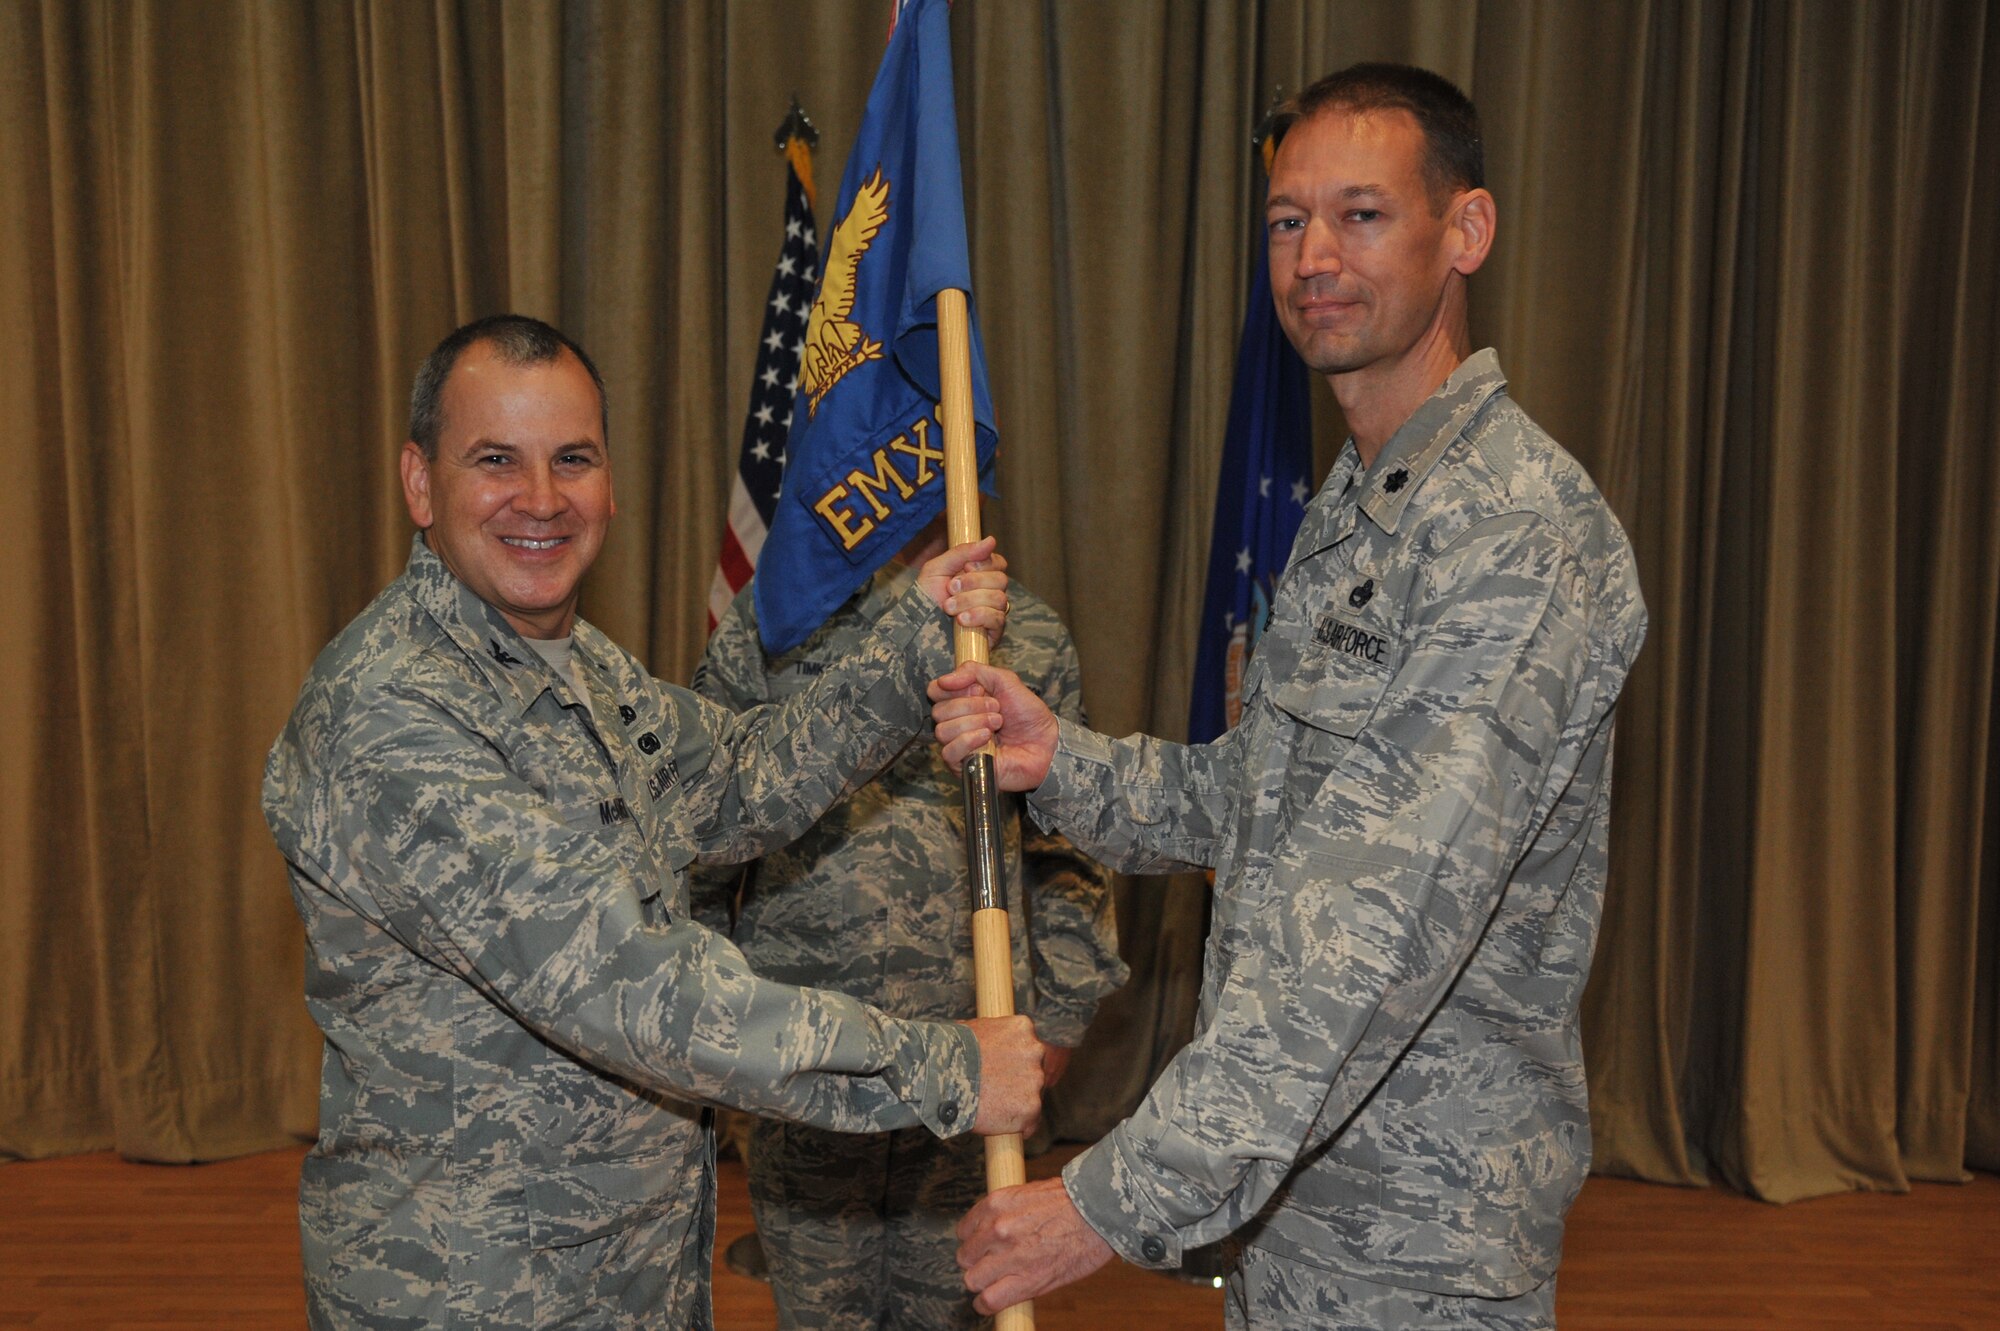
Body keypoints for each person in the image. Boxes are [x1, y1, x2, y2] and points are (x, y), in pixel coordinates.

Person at [933, 64, 1648, 1330]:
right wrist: (1066, 763)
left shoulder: (1515, 536)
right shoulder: (1360, 503)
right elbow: (1255, 794)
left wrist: (1106, 1200)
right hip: (1295, 1207)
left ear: (1463, 230)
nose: (1312, 255)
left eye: (1361, 215)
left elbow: (1371, 927)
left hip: (1418, 1237)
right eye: (1284, 220)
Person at [262, 314, 1048, 1331]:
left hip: (630, 1274)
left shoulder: (581, 665)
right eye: (495, 460)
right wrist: (944, 1066)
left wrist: (908, 646)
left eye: (572, 459)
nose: (540, 500)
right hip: (473, 1289)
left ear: (609, 483)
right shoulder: (392, 717)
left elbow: (736, 777)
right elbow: (630, 984)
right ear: (420, 484)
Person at [690, 515, 1128, 1331]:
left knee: (959, 1309)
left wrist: (1061, 1014)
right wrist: (710, 1013)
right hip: (808, 1057)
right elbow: (706, 829)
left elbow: (1068, 843)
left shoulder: (1022, 631)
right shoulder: (775, 619)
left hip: (975, 1061)